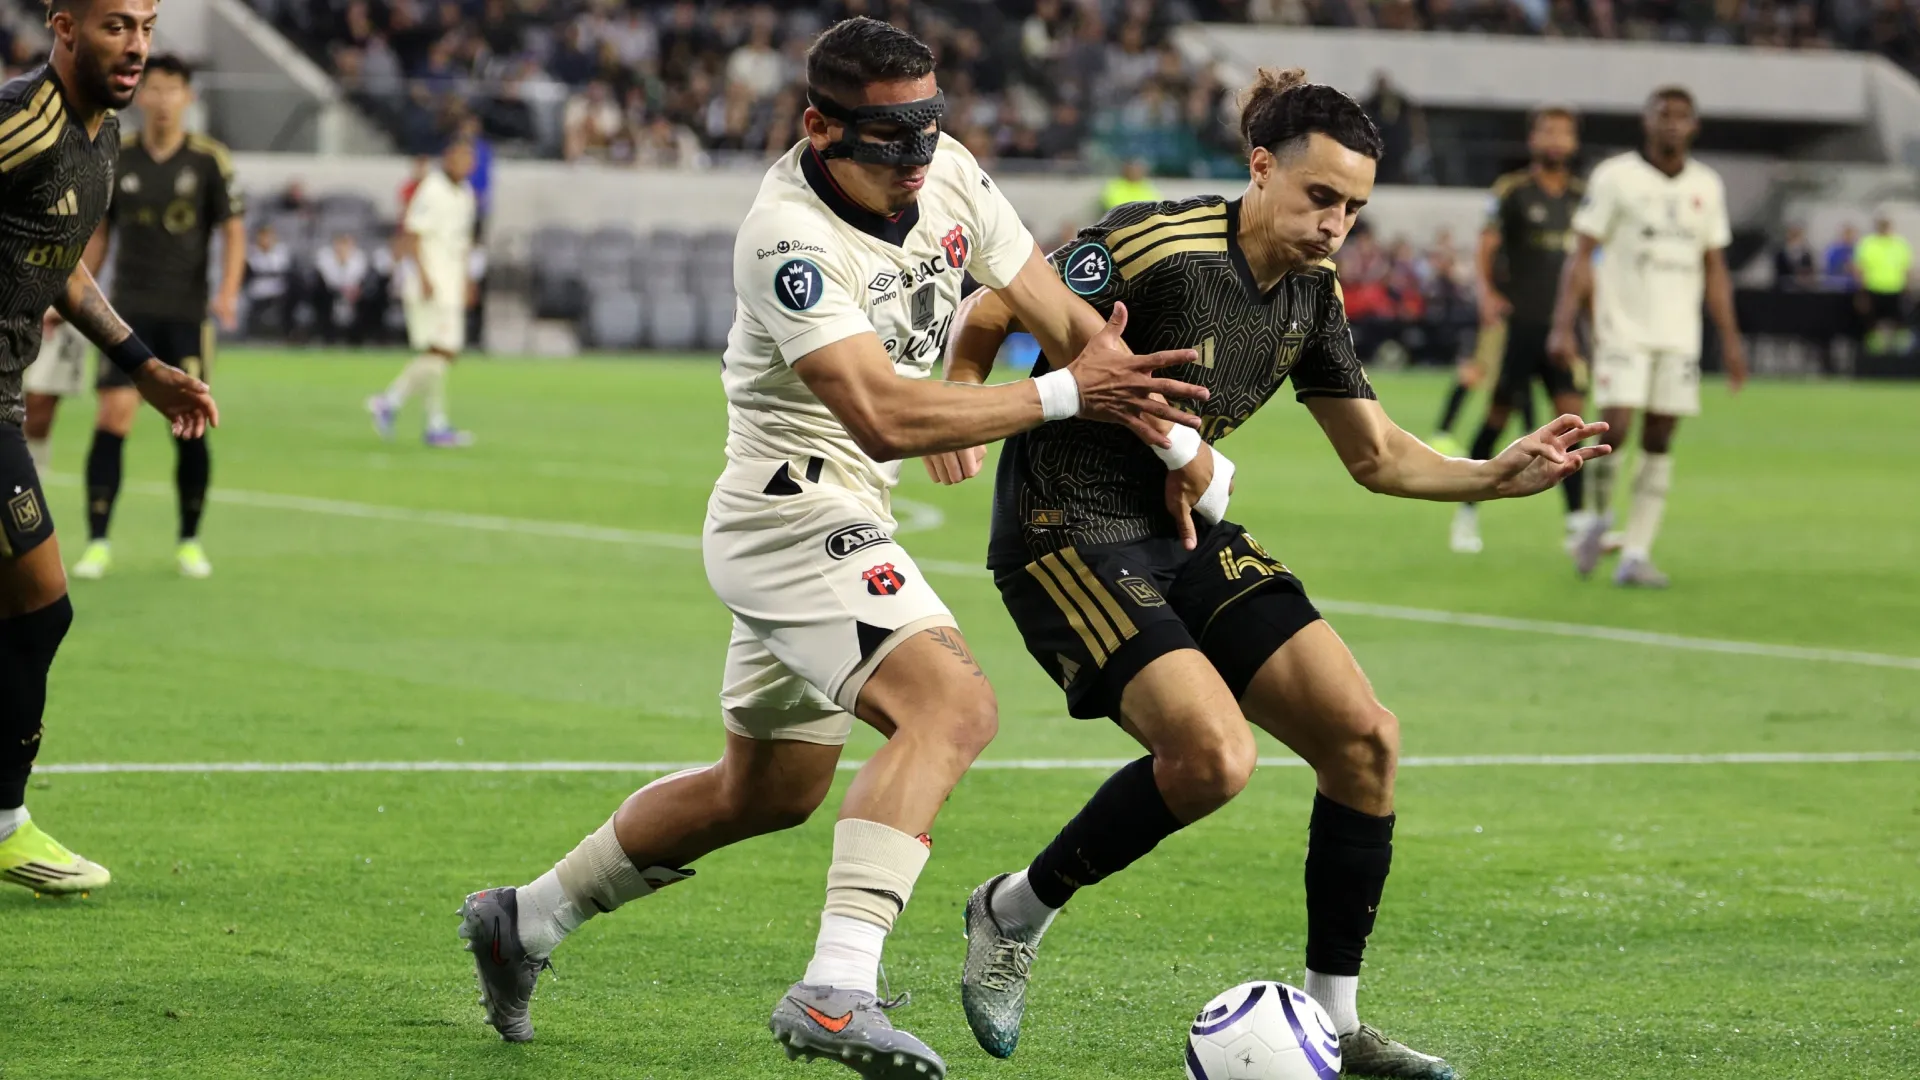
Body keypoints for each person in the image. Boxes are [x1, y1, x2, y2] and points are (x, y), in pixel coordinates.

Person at [452, 18, 1203, 1079]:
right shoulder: (784, 237)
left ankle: (521, 920)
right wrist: (1068, 394)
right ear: (819, 125)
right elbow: (885, 416)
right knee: (954, 707)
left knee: (764, 793)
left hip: (845, 513)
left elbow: (1061, 314)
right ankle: (837, 990)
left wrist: (1170, 438)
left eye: (928, 135)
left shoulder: (947, 177)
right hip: (790, 513)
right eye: (891, 145)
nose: (915, 167)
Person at [944, 68, 1606, 1080]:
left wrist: (1492, 475)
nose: (1339, 222)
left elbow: (1376, 455)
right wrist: (959, 404)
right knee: (1213, 760)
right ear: (1261, 169)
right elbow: (998, 305)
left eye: (1355, 207)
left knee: (1363, 738)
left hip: (1184, 522)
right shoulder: (1153, 243)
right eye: (1322, 197)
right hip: (1064, 528)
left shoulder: (1313, 293)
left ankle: (1338, 1028)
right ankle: (1012, 910)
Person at [0, 0, 218, 897]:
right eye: (114, 26)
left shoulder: (104, 135)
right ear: (63, 27)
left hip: (10, 392)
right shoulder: (25, 123)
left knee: (32, 609)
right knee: (41, 605)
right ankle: (7, 825)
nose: (135, 47)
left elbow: (65, 262)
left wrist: (143, 363)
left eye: (146, 26)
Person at [1551, 86, 1745, 587]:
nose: (1673, 124)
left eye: (1682, 116)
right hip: (1623, 327)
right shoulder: (1616, 177)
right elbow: (1581, 252)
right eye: (1664, 115)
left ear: (1694, 125)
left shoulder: (1708, 185)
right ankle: (1597, 518)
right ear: (1647, 121)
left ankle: (1636, 553)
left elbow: (1715, 265)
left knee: (1661, 435)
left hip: (1679, 333)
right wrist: (1563, 323)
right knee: (1614, 427)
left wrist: (1731, 336)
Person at [62, 53, 241, 582]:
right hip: (125, 313)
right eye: (154, 88)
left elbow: (233, 229)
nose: (161, 99)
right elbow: (98, 234)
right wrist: (68, 291)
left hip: (186, 315)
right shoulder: (117, 153)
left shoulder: (209, 160)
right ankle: (97, 541)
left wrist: (228, 290)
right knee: (111, 418)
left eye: (172, 89)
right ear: (141, 94)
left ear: (188, 97)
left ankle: (189, 538)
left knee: (188, 424)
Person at [1449, 105, 1591, 555]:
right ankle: (1466, 510)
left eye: (1563, 132)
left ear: (1573, 142)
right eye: (1547, 130)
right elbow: (1487, 247)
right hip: (1519, 327)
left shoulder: (1583, 199)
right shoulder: (1512, 192)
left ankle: (1577, 524)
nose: (1555, 139)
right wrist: (1488, 296)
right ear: (1533, 139)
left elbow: (1590, 264)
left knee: (1573, 422)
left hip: (1563, 331)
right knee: (1496, 419)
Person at [365, 139, 478, 447]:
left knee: (438, 356)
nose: (467, 164)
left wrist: (467, 279)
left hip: (451, 282)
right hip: (432, 284)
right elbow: (413, 234)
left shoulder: (466, 194)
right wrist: (424, 276)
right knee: (443, 351)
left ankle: (433, 423)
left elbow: (463, 242)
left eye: (470, 159)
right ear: (448, 158)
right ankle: (391, 401)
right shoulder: (432, 188)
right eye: (461, 157)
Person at [1850, 213, 1911, 353]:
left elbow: (1906, 268)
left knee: (1900, 323)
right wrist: (1862, 291)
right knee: (1872, 323)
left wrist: (1907, 288)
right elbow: (1860, 268)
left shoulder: (1899, 244)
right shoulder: (1868, 243)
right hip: (1874, 288)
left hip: (1895, 289)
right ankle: (1875, 353)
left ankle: (1901, 353)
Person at [243, 223, 295, 339]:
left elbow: (287, 274)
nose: (266, 240)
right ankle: (251, 336)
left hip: (279, 292)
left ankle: (288, 335)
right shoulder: (251, 254)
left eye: (268, 237)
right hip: (258, 292)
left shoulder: (281, 253)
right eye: (263, 237)